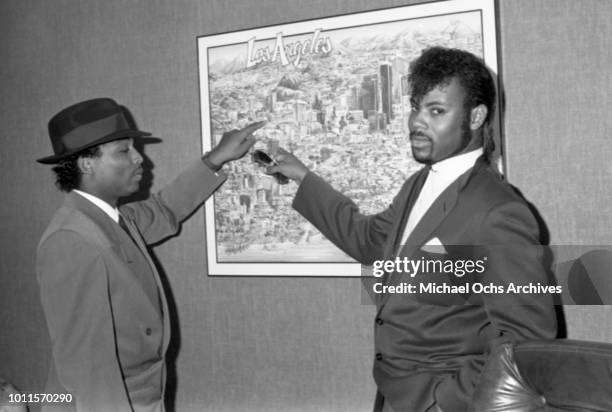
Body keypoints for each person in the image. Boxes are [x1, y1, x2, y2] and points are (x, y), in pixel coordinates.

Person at [268, 47, 557, 411]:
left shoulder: (499, 211)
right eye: (416, 107)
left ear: (476, 116)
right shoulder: (419, 184)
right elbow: (369, 240)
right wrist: (303, 178)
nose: (416, 122)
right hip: (395, 392)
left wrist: (446, 401)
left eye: (436, 111)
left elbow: (525, 337)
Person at [36, 97, 263, 411]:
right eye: (124, 151)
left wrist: (216, 158)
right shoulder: (71, 239)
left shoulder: (112, 217)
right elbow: (88, 367)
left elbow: (163, 209)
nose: (140, 159)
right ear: (87, 164)